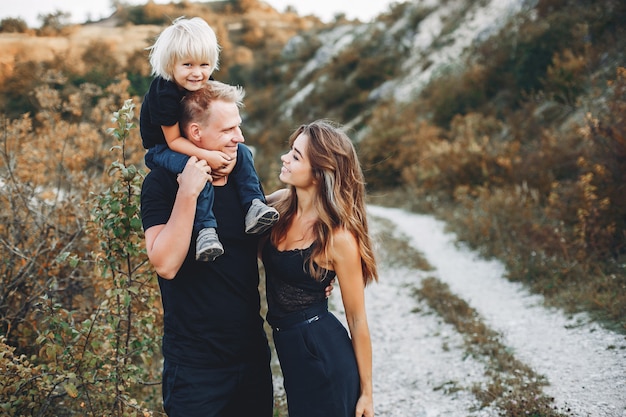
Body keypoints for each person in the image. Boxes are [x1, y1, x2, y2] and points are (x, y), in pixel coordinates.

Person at [140, 80, 274, 417]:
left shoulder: (243, 177)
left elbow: (262, 247)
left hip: (251, 354)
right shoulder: (160, 183)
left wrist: (313, 275)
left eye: (239, 127)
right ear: (196, 133)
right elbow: (165, 264)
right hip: (195, 366)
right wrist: (188, 191)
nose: (239, 138)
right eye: (228, 129)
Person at [261, 120, 378, 417]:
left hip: (322, 351)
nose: (285, 158)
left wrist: (367, 393)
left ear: (318, 173)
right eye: (290, 151)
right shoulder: (277, 206)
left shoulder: (338, 238)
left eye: (296, 156)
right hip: (290, 350)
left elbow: (357, 318)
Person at [139, 16, 278, 262]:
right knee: (197, 169)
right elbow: (173, 142)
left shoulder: (205, 84)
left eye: (204, 65)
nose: (197, 73)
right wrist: (209, 156)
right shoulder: (164, 93)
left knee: (243, 152)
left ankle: (254, 205)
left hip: (192, 141)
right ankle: (205, 230)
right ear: (171, 64)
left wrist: (221, 149)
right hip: (163, 149)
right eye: (188, 65)